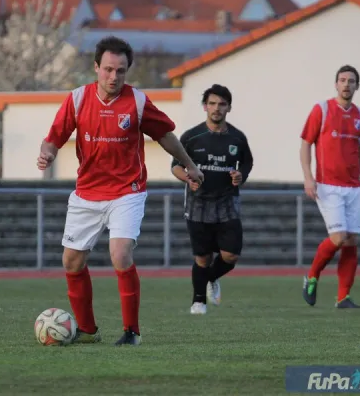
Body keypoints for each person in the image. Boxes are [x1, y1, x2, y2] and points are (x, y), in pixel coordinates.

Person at [36, 36, 204, 345]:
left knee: (120, 253)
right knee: (71, 262)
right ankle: (87, 331)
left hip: (128, 191)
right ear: (96, 67)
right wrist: (48, 153)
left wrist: (189, 165)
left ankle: (131, 332)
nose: (115, 77)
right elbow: (53, 137)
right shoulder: (77, 99)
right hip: (87, 193)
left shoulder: (137, 101)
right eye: (109, 70)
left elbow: (165, 135)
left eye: (121, 71)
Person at [171, 84, 253, 315]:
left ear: (229, 108)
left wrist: (241, 175)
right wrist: (188, 179)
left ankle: (211, 279)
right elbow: (175, 166)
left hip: (227, 203)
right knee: (203, 257)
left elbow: (246, 163)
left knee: (231, 255)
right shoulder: (191, 137)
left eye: (222, 104)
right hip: (198, 204)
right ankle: (198, 301)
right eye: (213, 103)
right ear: (205, 106)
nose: (217, 108)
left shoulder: (237, 138)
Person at [300, 65, 360, 308]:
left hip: (354, 188)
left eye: (351, 81)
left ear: (357, 86)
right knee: (339, 237)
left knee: (351, 240)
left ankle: (343, 297)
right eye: (342, 80)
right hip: (328, 185)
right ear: (336, 84)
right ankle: (312, 276)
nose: (346, 84)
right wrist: (308, 178)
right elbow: (305, 145)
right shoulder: (322, 109)